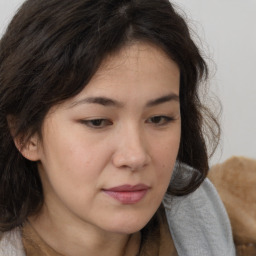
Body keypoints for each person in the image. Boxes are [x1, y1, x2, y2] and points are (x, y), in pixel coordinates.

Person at [0, 0, 235, 255]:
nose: (135, 156)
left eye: (159, 119)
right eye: (97, 122)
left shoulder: (212, 212)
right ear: (25, 134)